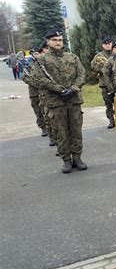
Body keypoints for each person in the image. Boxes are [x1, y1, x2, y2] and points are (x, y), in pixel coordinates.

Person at [32, 28, 87, 173]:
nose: (58, 42)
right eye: (55, 40)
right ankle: (66, 161)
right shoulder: (42, 60)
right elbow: (38, 78)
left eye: (60, 40)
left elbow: (82, 74)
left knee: (76, 131)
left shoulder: (72, 57)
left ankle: (77, 158)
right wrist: (60, 90)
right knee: (60, 133)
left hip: (73, 99)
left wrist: (73, 88)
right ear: (48, 42)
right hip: (55, 102)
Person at [22, 48, 48, 137]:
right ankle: (43, 128)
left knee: (47, 111)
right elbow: (25, 77)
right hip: (34, 93)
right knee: (38, 111)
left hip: (45, 92)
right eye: (34, 54)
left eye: (37, 53)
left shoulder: (44, 63)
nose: (36, 55)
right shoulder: (28, 65)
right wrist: (35, 84)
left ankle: (51, 128)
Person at [91, 36, 114, 128]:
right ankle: (111, 121)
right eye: (106, 44)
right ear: (102, 45)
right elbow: (93, 67)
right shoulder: (98, 56)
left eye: (109, 44)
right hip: (105, 83)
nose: (108, 46)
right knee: (108, 103)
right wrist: (101, 69)